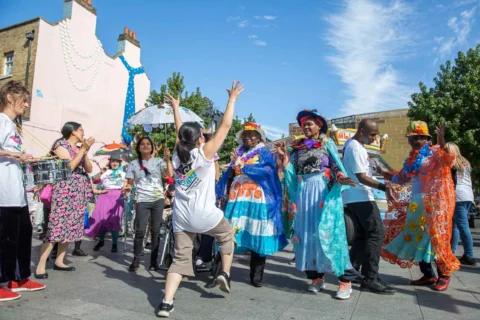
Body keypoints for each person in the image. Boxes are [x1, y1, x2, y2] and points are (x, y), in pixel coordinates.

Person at [156, 82, 242, 318]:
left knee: (181, 259)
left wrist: (176, 108)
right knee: (226, 235)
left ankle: (166, 302)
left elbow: (179, 131)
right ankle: (224, 272)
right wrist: (232, 99)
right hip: (205, 215)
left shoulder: (176, 155)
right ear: (198, 140)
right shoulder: (203, 154)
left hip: (181, 218)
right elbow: (225, 125)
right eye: (202, 134)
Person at [276, 109, 357, 300]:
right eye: (304, 124)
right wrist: (284, 158)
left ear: (319, 126)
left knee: (329, 234)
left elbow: (336, 165)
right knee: (306, 235)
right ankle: (316, 277)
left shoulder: (326, 143)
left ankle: (345, 281)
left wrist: (340, 177)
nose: (305, 127)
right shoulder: (298, 148)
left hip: (321, 192)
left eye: (309, 124)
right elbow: (291, 173)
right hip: (303, 193)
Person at [382, 122, 460, 291]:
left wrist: (442, 140)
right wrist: (383, 174)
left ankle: (444, 275)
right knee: (416, 235)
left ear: (427, 139)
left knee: (436, 238)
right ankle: (428, 274)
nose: (414, 142)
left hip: (435, 202)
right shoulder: (412, 157)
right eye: (411, 139)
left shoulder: (436, 152)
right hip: (417, 203)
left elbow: (449, 160)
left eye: (417, 138)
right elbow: (402, 177)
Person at [217, 122, 288, 288]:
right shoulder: (238, 152)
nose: (248, 137)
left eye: (252, 134)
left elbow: (268, 171)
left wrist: (246, 168)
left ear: (259, 137)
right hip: (237, 195)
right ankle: (220, 272)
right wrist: (233, 168)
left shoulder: (264, 152)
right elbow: (231, 172)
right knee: (230, 230)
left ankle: (256, 276)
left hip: (256, 197)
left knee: (256, 231)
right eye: (245, 135)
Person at [0, 81, 45, 301]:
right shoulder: (1, 120)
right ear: (9, 97)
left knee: (23, 235)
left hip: (17, 192)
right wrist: (16, 155)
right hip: (3, 191)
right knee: (5, 238)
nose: (26, 105)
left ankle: (19, 278)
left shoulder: (13, 125)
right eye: (23, 100)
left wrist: (24, 158)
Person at [34, 122, 95, 278]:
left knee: (70, 228)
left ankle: (60, 261)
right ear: (73, 131)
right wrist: (82, 150)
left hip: (78, 193)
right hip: (64, 192)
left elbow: (89, 169)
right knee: (56, 228)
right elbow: (69, 168)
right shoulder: (61, 145)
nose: (83, 132)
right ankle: (41, 265)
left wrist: (85, 151)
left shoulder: (79, 149)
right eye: (81, 130)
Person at [342, 119, 395, 295]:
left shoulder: (354, 145)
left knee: (362, 236)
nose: (375, 138)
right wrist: (384, 187)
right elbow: (361, 176)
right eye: (372, 134)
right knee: (376, 234)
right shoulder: (355, 147)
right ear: (362, 130)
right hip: (361, 196)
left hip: (354, 196)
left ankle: (351, 271)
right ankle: (370, 278)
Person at [123, 137, 173, 272]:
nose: (146, 146)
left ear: (152, 147)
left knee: (156, 230)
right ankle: (136, 258)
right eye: (142, 144)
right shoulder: (133, 164)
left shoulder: (158, 161)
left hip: (158, 199)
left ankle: (153, 261)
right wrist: (127, 188)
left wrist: (168, 160)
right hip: (142, 200)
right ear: (138, 148)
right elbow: (129, 182)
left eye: (148, 144)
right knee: (140, 230)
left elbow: (169, 174)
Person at [86, 151, 126, 253]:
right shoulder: (105, 173)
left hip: (117, 197)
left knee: (115, 220)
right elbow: (93, 180)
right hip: (104, 195)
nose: (115, 163)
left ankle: (114, 244)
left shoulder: (123, 174)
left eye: (117, 161)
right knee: (102, 219)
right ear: (110, 162)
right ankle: (101, 240)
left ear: (119, 163)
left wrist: (125, 189)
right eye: (113, 161)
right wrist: (101, 173)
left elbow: (127, 184)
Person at [445, 142, 477, 266]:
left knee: (462, 226)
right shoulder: (464, 162)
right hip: (468, 195)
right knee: (456, 225)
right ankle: (452, 253)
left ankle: (470, 256)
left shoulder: (451, 162)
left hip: (458, 196)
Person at [195, 132, 220, 271]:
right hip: (191, 196)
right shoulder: (188, 152)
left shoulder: (210, 151)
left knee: (208, 225)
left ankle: (203, 256)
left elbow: (216, 172)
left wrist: (215, 187)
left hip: (207, 195)